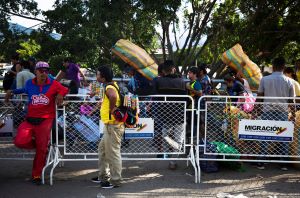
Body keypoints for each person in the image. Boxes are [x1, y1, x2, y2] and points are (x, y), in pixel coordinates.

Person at [5, 61, 68, 185]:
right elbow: (23, 89)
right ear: (36, 71)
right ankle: (42, 146)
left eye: (46, 71)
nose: (44, 73)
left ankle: (36, 175)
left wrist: (61, 94)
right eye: (41, 71)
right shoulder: (30, 83)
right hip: (30, 120)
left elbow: (65, 88)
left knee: (41, 150)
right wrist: (11, 92)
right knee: (20, 141)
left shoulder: (53, 84)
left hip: (45, 120)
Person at [256, 57, 295, 170]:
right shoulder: (289, 81)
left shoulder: (265, 79)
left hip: (267, 111)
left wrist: (255, 111)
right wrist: (292, 114)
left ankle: (261, 162)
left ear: (273, 66)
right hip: (282, 112)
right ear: (283, 67)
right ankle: (283, 163)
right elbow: (291, 101)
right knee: (283, 136)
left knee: (265, 136)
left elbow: (259, 97)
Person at [91, 66, 125, 188]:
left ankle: (116, 181)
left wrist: (111, 109)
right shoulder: (110, 85)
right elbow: (108, 95)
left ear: (103, 77)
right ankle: (103, 176)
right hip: (109, 125)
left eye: (98, 74)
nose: (96, 76)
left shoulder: (109, 87)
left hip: (113, 125)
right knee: (103, 151)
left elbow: (113, 96)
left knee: (113, 153)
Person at [152, 60, 187, 169]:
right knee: (178, 139)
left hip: (165, 116)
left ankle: (167, 154)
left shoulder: (158, 82)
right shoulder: (182, 82)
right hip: (180, 115)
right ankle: (173, 161)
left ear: (163, 70)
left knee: (165, 135)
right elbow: (187, 98)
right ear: (173, 69)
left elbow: (153, 94)